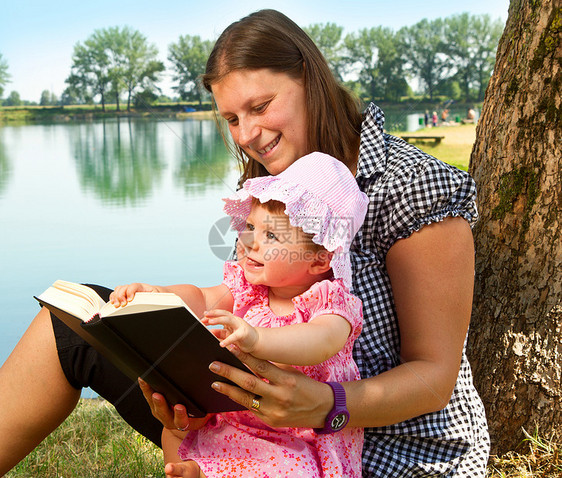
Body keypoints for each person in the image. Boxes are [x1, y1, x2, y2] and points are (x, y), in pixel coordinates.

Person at [0, 9, 490, 477]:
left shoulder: (414, 185)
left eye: (260, 106)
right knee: (68, 329)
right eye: (232, 119)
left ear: (308, 76)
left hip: (387, 451)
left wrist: (324, 406)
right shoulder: (265, 185)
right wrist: (160, 327)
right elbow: (237, 298)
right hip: (253, 428)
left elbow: (434, 377)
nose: (249, 135)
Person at [110, 152, 368, 477]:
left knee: (290, 470)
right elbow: (202, 298)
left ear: (318, 259)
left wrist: (258, 338)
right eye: (249, 227)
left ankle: (204, 472)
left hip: (295, 435)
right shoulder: (248, 287)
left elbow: (321, 341)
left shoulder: (329, 301)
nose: (249, 242)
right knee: (183, 429)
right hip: (237, 421)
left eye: (271, 235)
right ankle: (197, 469)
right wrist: (159, 294)